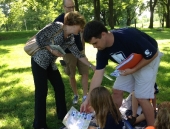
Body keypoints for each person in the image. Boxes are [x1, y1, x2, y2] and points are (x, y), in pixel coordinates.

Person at [80, 21, 163, 127]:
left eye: (95, 43)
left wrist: (133, 70)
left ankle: (152, 127)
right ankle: (114, 120)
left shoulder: (129, 36)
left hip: (148, 59)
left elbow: (153, 53)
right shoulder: (102, 51)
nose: (94, 47)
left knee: (142, 97)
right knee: (116, 90)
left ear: (103, 35)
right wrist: (88, 99)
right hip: (130, 63)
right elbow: (98, 75)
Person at [31, 11, 95, 129]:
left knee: (60, 87)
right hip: (39, 61)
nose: (81, 30)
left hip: (50, 63)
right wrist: (51, 50)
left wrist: (92, 66)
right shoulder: (57, 26)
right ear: (75, 24)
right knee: (41, 92)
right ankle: (39, 124)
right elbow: (39, 37)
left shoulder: (70, 38)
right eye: (81, 27)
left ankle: (63, 115)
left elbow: (79, 55)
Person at [53, 0, 89, 104]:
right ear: (64, 7)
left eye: (73, 7)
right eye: (69, 7)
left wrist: (83, 46)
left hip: (80, 50)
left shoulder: (77, 17)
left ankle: (85, 96)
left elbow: (82, 32)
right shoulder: (59, 20)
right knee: (72, 75)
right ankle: (76, 95)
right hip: (68, 53)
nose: (71, 9)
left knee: (85, 73)